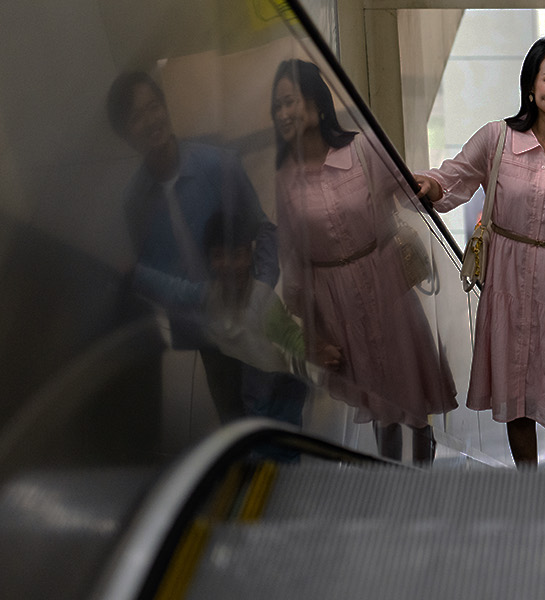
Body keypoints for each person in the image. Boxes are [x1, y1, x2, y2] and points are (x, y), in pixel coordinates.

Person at [413, 38, 545, 470]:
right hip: (505, 280)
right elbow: (455, 177)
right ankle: (527, 485)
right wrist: (430, 186)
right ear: (530, 87)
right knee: (516, 386)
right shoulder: (497, 138)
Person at [271, 59, 456, 465]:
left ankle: (420, 477)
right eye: (277, 106)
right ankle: (387, 487)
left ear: (317, 105)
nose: (283, 113)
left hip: (385, 284)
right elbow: (294, 259)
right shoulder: (286, 179)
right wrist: (313, 336)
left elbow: (412, 192)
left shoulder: (363, 148)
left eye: (290, 102)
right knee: (378, 408)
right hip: (337, 305)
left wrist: (438, 184)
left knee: (410, 394)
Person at [107, 70, 279, 425]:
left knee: (272, 413)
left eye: (154, 107)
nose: (151, 120)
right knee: (233, 420)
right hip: (205, 332)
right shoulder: (134, 202)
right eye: (137, 117)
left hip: (251, 314)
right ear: (125, 135)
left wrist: (261, 291)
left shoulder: (218, 165)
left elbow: (264, 231)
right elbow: (155, 272)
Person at [133, 212, 313, 453]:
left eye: (237, 255)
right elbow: (174, 291)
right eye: (219, 257)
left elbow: (293, 340)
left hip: (282, 387)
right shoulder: (209, 295)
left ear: (247, 256)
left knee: (279, 438)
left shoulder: (262, 295)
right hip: (258, 391)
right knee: (262, 434)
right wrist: (137, 275)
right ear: (211, 261)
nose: (229, 266)